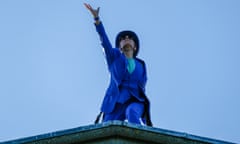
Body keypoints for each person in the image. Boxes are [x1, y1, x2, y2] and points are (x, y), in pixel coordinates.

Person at [84, 3, 152, 126]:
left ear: (135, 46)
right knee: (107, 127)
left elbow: (142, 86)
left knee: (132, 112)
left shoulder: (141, 65)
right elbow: (104, 41)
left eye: (129, 37)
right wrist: (97, 20)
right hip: (115, 102)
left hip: (135, 100)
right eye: (122, 38)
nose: (126, 38)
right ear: (119, 46)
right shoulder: (114, 58)